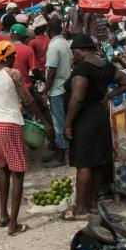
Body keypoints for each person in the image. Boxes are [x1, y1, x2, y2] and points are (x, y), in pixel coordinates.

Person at [0, 41, 52, 236]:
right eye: (13, 56)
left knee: (3, 170)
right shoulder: (13, 74)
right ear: (10, 57)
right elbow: (28, 100)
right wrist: (45, 121)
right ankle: (14, 224)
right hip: (11, 125)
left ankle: (3, 215)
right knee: (18, 174)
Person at [64, 34, 126, 219]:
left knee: (84, 164)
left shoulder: (82, 69)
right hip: (101, 117)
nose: (73, 56)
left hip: (85, 119)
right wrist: (108, 96)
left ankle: (81, 209)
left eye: (74, 52)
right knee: (97, 163)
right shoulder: (106, 66)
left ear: (80, 50)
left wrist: (68, 124)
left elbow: (78, 97)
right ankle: (94, 206)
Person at [42, 18, 72, 167]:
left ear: (49, 30)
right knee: (62, 121)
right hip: (65, 86)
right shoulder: (65, 43)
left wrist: (45, 91)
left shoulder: (54, 46)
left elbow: (51, 70)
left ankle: (61, 157)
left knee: (59, 123)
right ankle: (59, 152)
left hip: (57, 89)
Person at [0, 23, 35, 89]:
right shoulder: (27, 49)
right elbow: (34, 70)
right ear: (23, 36)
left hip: (4, 88)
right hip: (24, 88)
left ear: (11, 34)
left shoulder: (0, 47)